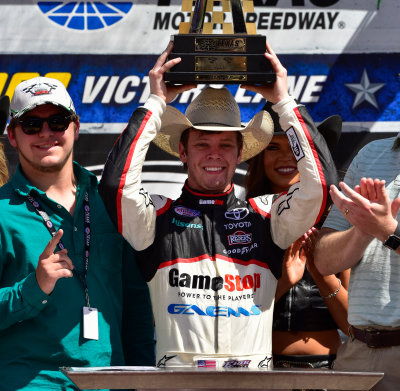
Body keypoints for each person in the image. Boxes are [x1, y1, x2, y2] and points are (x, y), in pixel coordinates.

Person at [99, 41, 338, 369]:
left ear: (240, 154)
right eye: (202, 143)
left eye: (226, 144)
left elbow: (321, 187)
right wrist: (156, 103)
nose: (214, 153)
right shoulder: (156, 218)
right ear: (183, 153)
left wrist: (284, 103)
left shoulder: (266, 216)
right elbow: (115, 185)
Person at [0, 77, 154, 391]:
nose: (46, 133)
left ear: (76, 126)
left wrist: (143, 386)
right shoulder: (3, 212)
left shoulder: (111, 202)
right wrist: (33, 287)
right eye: (31, 124)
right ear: (12, 135)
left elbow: (135, 304)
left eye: (57, 122)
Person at [245, 102, 349, 391]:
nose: (286, 157)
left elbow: (353, 326)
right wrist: (283, 282)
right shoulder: (243, 220)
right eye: (272, 147)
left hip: (326, 382)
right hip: (256, 381)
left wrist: (322, 273)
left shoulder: (338, 222)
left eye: (295, 146)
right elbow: (228, 320)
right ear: (259, 157)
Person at [314, 134, 400, 391]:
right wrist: (362, 232)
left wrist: (388, 232)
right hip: (356, 351)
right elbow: (325, 260)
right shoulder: (372, 153)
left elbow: (386, 230)